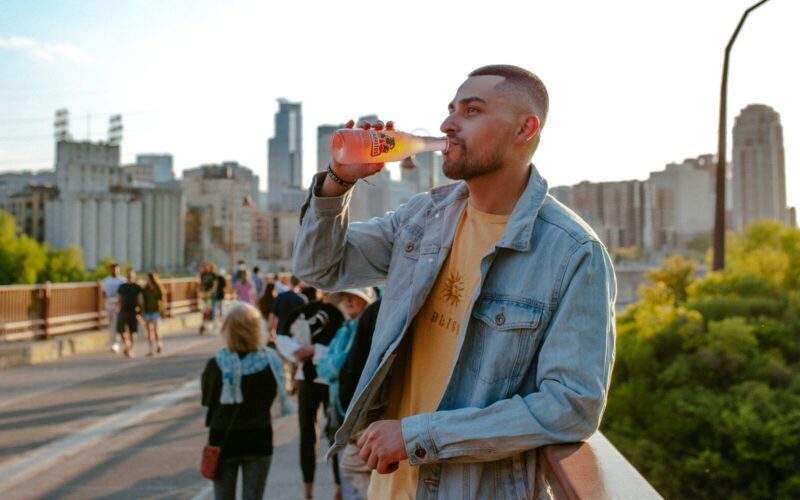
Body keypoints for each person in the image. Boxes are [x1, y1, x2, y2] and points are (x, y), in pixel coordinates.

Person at [292, 65, 617, 498]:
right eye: (450, 110)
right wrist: (338, 182)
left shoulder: (573, 253)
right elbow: (320, 270)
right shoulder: (424, 217)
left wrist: (420, 435)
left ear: (525, 129)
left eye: (472, 110)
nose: (448, 123)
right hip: (388, 488)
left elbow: (571, 406)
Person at [201, 302, 294, 500]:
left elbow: (207, 400)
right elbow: (271, 397)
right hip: (258, 438)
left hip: (223, 440)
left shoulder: (216, 364)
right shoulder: (269, 361)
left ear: (227, 330)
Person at [276, 289, 347, 500]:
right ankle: (308, 491)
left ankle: (339, 488)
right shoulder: (306, 311)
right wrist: (300, 350)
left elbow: (343, 347)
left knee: (335, 433)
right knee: (307, 434)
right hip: (305, 377)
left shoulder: (340, 313)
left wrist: (314, 350)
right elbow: (282, 336)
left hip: (329, 379)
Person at [315, 291, 378, 500]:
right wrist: (341, 363)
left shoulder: (370, 327)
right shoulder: (343, 330)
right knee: (348, 474)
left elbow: (348, 367)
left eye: (354, 296)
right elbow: (324, 369)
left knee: (360, 476)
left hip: (362, 415)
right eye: (345, 296)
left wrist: (338, 364)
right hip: (339, 409)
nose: (349, 300)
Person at [117, 268, 144, 358]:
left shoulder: (137, 287)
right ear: (126, 275)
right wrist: (118, 308)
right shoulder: (122, 286)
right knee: (121, 329)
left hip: (133, 311)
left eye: (131, 274)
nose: (130, 276)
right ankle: (127, 344)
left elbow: (140, 300)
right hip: (123, 310)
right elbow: (119, 299)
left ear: (134, 275)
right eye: (128, 274)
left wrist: (140, 313)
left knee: (133, 331)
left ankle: (131, 349)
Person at [101, 262, 126, 353]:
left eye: (116, 269)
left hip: (118, 305)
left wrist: (121, 304)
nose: (115, 270)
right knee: (111, 324)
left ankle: (115, 343)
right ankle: (113, 342)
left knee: (115, 324)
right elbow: (103, 292)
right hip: (109, 304)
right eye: (113, 269)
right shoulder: (106, 280)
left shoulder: (122, 280)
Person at [142, 272, 166, 356]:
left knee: (156, 329)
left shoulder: (157, 288)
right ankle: (150, 349)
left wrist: (162, 310)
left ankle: (159, 343)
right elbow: (142, 300)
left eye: (148, 278)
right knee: (148, 331)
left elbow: (162, 299)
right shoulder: (145, 289)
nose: (147, 280)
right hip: (147, 311)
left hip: (156, 311)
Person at [199, 262, 218, 335]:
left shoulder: (213, 275)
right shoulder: (202, 275)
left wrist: (211, 292)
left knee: (210, 309)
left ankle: (210, 323)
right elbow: (201, 284)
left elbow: (215, 285)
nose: (206, 268)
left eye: (208, 267)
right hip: (205, 294)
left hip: (211, 295)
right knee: (204, 309)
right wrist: (201, 292)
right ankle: (205, 324)